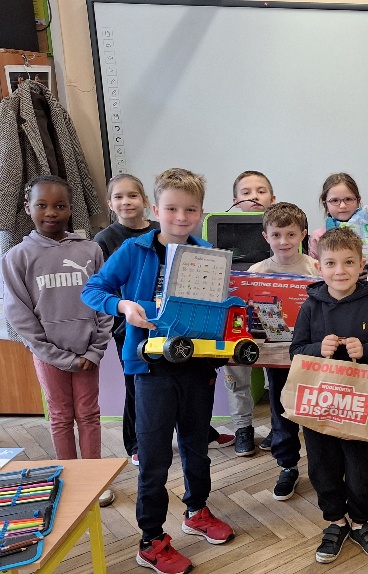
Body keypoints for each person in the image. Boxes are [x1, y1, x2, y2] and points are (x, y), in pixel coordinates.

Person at [83, 168, 235, 574]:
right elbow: (93, 289)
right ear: (156, 209)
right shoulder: (133, 250)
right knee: (153, 457)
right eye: (171, 209)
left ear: (201, 212)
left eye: (190, 209)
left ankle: (196, 511)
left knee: (196, 446)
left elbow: (218, 307)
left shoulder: (209, 254)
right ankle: (150, 540)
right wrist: (123, 306)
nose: (181, 217)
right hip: (151, 368)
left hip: (197, 364)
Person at [289, 227, 368, 563]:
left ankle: (361, 521)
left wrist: (365, 350)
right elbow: (295, 351)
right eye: (331, 263)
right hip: (318, 402)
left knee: (360, 466)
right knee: (322, 464)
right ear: (318, 266)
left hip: (359, 404)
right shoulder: (310, 306)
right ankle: (335, 521)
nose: (340, 270)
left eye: (349, 262)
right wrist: (316, 349)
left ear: (361, 264)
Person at [3, 175, 115, 505]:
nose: (51, 212)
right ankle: (71, 478)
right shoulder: (17, 257)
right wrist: (56, 356)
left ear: (70, 209)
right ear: (28, 209)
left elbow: (104, 299)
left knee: (89, 414)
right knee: (61, 416)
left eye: (59, 205)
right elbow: (19, 314)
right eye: (42, 205)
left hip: (88, 354)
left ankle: (94, 480)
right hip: (48, 356)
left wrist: (95, 351)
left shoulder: (90, 250)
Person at [246, 202, 320, 501]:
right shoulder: (257, 272)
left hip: (313, 355)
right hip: (276, 357)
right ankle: (288, 465)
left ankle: (322, 465)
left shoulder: (316, 268)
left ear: (303, 234)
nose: (284, 241)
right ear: (266, 236)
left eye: (291, 234)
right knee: (281, 412)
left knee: (315, 410)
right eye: (276, 235)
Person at [93, 173, 160, 467]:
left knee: (179, 380)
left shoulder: (161, 230)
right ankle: (135, 442)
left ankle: (202, 432)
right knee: (136, 383)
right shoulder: (104, 240)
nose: (126, 202)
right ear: (110, 203)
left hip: (166, 321)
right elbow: (102, 286)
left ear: (144, 200)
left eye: (133, 195)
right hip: (128, 327)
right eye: (118, 197)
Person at [221, 170, 278, 457]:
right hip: (235, 313)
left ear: (273, 199)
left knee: (276, 374)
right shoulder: (221, 230)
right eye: (246, 192)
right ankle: (243, 428)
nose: (254, 197)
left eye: (260, 191)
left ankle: (278, 427)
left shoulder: (284, 229)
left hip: (273, 314)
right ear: (235, 200)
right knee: (237, 375)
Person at [309, 173, 368, 260]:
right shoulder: (318, 236)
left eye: (348, 199)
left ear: (358, 201)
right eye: (335, 200)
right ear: (325, 205)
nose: (342, 206)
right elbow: (314, 266)